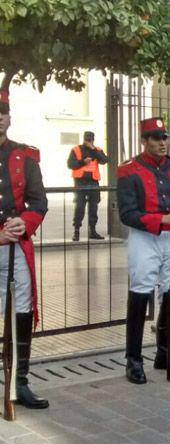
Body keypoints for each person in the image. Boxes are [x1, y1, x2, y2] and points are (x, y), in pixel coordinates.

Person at [117, 117, 170, 384]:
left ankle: (165, 353)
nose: (162, 142)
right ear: (144, 141)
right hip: (145, 237)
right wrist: (161, 220)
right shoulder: (129, 170)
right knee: (139, 294)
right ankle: (133, 359)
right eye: (156, 138)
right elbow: (127, 213)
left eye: (165, 137)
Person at [0, 89, 49, 409]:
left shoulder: (25, 155)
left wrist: (24, 223)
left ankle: (20, 381)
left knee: (21, 308)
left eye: (2, 113)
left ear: (8, 118)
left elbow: (39, 201)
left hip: (17, 244)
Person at [67, 131, 109, 241]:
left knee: (93, 208)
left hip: (93, 182)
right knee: (80, 207)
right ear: (84, 139)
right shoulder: (76, 149)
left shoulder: (97, 150)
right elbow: (70, 164)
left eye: (90, 140)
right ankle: (76, 231)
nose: (88, 142)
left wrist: (93, 149)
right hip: (80, 182)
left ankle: (92, 231)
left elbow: (104, 160)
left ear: (93, 140)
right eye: (87, 140)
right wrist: (82, 162)